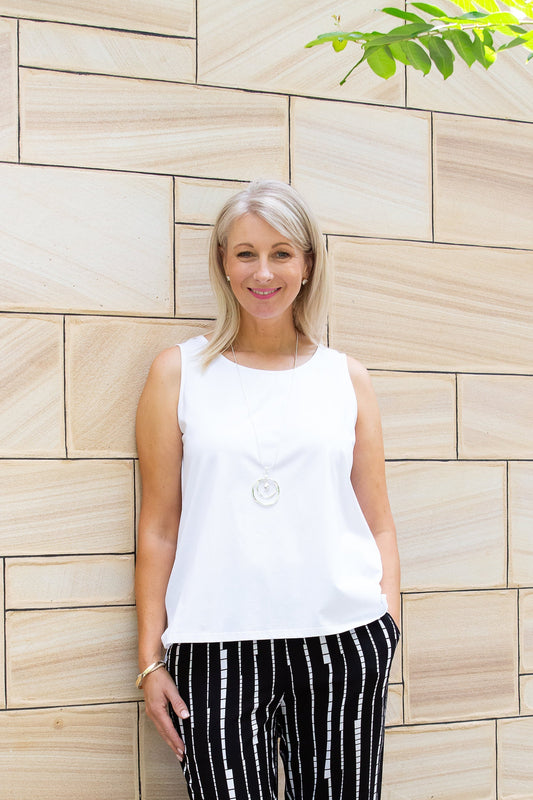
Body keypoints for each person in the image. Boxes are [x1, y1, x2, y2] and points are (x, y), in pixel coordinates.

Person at [135, 179, 401, 800]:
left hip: (343, 644)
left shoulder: (347, 378)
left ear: (308, 264)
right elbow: (158, 526)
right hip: (216, 648)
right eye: (245, 253)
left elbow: (378, 521)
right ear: (223, 265)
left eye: (282, 252)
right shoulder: (178, 371)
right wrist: (151, 660)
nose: (263, 271)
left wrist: (388, 627)